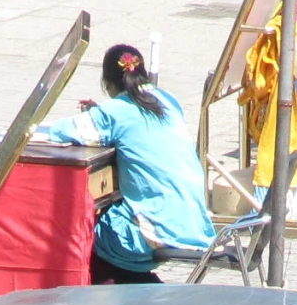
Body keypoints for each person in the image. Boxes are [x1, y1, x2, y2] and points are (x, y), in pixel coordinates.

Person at [37, 44, 215, 285]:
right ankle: (143, 292)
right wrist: (102, 113)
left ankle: (122, 303)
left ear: (107, 84)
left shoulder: (114, 112)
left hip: (159, 227)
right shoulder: (168, 100)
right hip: (192, 220)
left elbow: (61, 131)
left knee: (82, 237)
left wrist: (98, 114)